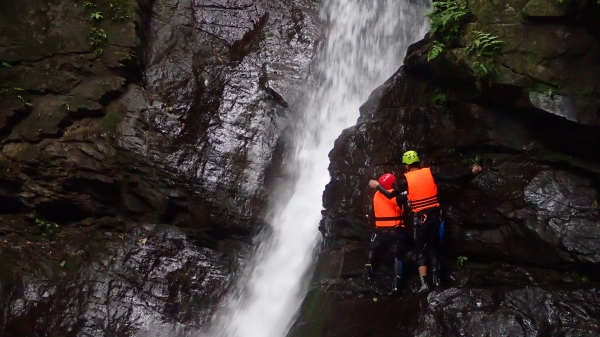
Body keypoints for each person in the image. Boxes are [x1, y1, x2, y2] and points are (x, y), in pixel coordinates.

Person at [369, 150, 482, 294]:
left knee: (420, 250)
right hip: (435, 216)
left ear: (407, 166)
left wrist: (377, 186)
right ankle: (437, 281)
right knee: (434, 249)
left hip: (420, 219)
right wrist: (472, 173)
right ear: (418, 162)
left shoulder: (406, 180)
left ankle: (425, 284)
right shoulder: (430, 173)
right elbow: (453, 179)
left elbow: (390, 195)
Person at [363, 173, 407, 294]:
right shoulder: (398, 195)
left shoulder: (376, 195)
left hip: (379, 233)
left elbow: (372, 214)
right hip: (395, 232)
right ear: (393, 184)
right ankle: (396, 284)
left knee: (372, 248)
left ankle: (367, 271)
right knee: (397, 257)